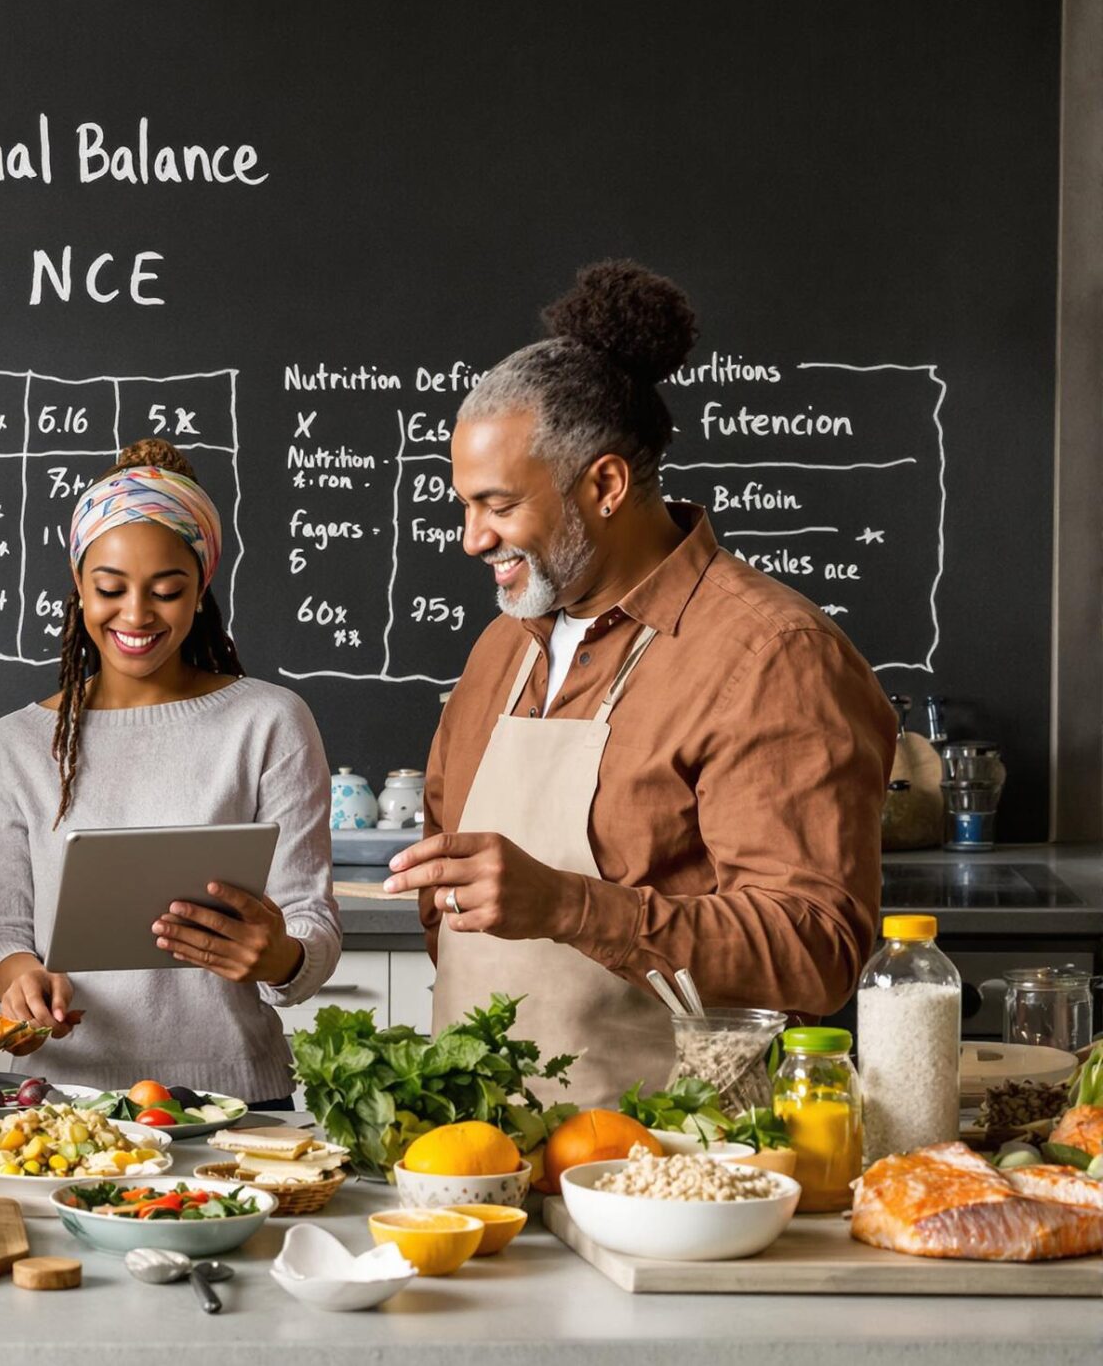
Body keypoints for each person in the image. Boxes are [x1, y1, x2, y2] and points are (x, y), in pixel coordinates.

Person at [382, 261, 896, 1106]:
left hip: (669, 1167)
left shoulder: (770, 654)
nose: (473, 538)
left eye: (498, 505)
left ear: (607, 484)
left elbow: (818, 949)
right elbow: (449, 894)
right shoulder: (498, 651)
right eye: (463, 505)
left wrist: (573, 907)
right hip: (476, 1155)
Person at [0, 439, 340, 1106]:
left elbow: (311, 916)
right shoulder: (15, 743)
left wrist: (279, 955)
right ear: (79, 588)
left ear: (200, 590)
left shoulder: (269, 721)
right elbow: (1, 929)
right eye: (110, 588)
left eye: (167, 590)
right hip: (60, 1102)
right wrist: (17, 977)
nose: (136, 614)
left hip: (233, 1102)